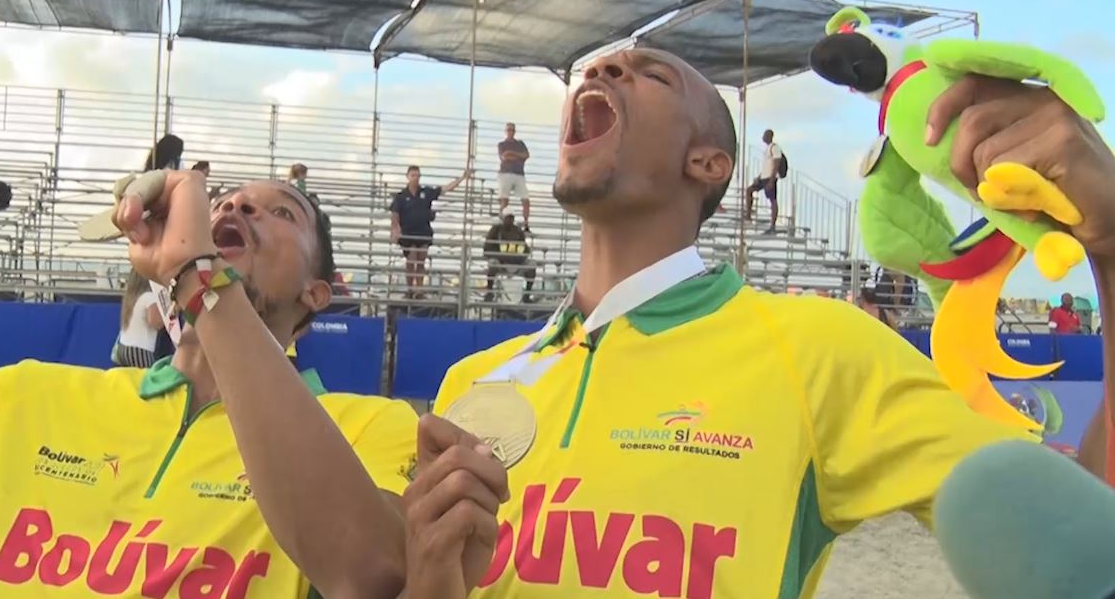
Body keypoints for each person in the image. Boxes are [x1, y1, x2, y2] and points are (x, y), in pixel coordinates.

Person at [402, 48, 1115, 598]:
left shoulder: (818, 348)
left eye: (652, 74)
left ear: (708, 163)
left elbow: (1081, 544)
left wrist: (1111, 249)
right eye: (595, 68)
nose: (603, 67)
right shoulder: (472, 382)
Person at [0, 174, 416, 599]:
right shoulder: (23, 396)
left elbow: (373, 574)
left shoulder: (369, 431)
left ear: (317, 294)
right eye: (224, 203)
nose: (237, 208)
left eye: (281, 212)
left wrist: (198, 278)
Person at [390, 165, 470, 298]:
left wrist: (462, 178)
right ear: (408, 177)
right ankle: (410, 289)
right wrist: (395, 229)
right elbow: (395, 213)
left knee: (421, 260)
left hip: (423, 232)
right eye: (413, 175)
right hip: (408, 233)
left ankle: (419, 290)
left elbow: (445, 189)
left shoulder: (426, 192)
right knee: (411, 258)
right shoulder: (401, 196)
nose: (415, 178)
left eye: (417, 175)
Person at [111, 268, 166, 367]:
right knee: (145, 376)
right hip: (140, 349)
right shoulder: (149, 296)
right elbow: (156, 323)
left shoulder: (131, 298)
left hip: (123, 346)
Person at [482, 208, 534, 301]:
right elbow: (487, 248)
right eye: (507, 217)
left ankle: (527, 295)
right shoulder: (495, 230)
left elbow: (525, 248)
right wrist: (501, 256)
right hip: (500, 261)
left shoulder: (518, 231)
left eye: (511, 218)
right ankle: (489, 292)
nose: (510, 220)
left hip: (517, 261)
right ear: (503, 218)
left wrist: (518, 257)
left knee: (531, 265)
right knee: (493, 263)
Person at [744, 128, 783, 234]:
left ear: (769, 136)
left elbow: (776, 164)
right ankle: (748, 216)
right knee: (749, 190)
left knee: (773, 200)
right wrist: (759, 177)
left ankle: (773, 226)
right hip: (764, 177)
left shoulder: (775, 148)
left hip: (770, 178)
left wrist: (771, 180)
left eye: (765, 135)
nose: (763, 137)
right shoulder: (767, 149)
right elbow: (767, 166)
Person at [496, 124, 531, 229]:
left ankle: (526, 223)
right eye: (509, 130)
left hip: (519, 174)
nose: (510, 132)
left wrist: (511, 153)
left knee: (525, 199)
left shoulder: (520, 143)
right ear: (506, 131)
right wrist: (519, 156)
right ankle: (503, 222)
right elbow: (504, 157)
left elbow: (526, 155)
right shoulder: (502, 144)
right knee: (504, 199)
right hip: (505, 173)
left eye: (512, 130)